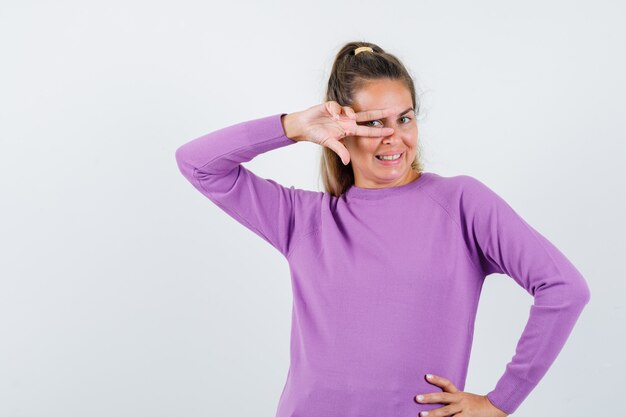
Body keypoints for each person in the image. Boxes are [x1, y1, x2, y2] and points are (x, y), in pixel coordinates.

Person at [174, 42, 591, 417]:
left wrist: (501, 401)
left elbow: (563, 287)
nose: (393, 137)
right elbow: (198, 164)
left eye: (404, 119)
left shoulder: (461, 204)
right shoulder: (303, 218)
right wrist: (294, 125)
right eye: (372, 123)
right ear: (340, 128)